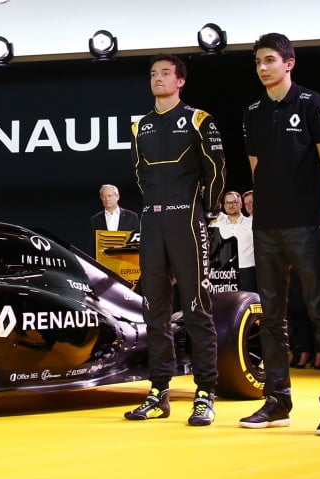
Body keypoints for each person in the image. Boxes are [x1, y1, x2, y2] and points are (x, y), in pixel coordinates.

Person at [239, 32, 320, 436]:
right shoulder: (252, 111)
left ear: (289, 63)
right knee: (271, 318)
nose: (263, 67)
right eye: (257, 61)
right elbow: (256, 169)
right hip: (266, 227)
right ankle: (277, 401)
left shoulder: (313, 104)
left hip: (305, 224)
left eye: (270, 60)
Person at [124, 53, 226, 426]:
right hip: (153, 222)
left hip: (188, 221)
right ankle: (158, 391)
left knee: (198, 307)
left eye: (166, 73)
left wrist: (208, 210)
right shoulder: (141, 127)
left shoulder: (199, 119)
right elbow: (139, 175)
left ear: (181, 81)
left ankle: (205, 393)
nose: (158, 79)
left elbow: (217, 169)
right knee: (154, 310)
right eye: (153, 73)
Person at [209, 191, 257, 292]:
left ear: (240, 204)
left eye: (234, 202)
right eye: (227, 203)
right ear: (224, 206)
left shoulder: (252, 223)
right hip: (225, 273)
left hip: (247, 271)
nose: (231, 205)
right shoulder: (216, 225)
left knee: (247, 304)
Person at [89, 184, 140, 255]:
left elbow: (136, 243)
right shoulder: (95, 220)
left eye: (109, 196)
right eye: (104, 197)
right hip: (103, 262)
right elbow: (93, 247)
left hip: (126, 261)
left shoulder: (132, 217)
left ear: (117, 197)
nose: (107, 199)